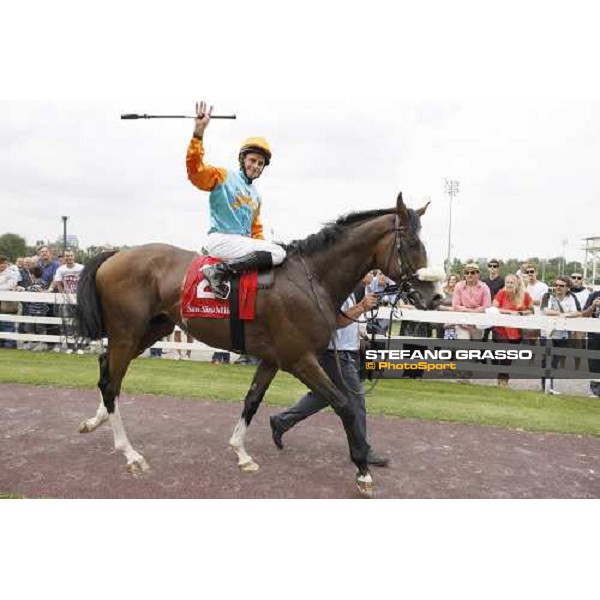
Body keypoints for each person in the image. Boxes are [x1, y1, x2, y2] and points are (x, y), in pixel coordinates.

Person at [269, 289, 389, 467]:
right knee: (356, 402)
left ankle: (282, 421)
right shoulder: (336, 291)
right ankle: (361, 450)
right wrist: (362, 306)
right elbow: (336, 322)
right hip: (336, 355)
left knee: (323, 396)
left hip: (346, 353)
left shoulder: (348, 290)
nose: (370, 273)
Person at [186, 100, 286, 299]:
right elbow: (195, 172)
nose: (256, 166)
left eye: (260, 163)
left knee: (273, 250)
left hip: (241, 245)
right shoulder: (222, 176)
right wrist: (198, 134)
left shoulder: (256, 196)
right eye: (252, 160)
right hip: (221, 240)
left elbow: (255, 231)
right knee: (279, 252)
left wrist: (262, 251)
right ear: (243, 160)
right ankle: (218, 271)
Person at [539, 276, 581, 394]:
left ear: (568, 288)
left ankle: (549, 385)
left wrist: (564, 315)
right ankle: (546, 387)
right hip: (546, 333)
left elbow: (578, 312)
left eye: (562, 286)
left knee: (555, 362)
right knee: (546, 360)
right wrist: (564, 314)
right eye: (556, 285)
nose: (558, 287)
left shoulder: (572, 297)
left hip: (562, 335)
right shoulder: (548, 295)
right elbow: (545, 310)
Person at [491, 274, 533, 386]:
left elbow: (531, 310)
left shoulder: (525, 295)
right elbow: (494, 307)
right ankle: (503, 379)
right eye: (507, 282)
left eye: (512, 282)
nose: (509, 285)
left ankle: (503, 377)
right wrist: (509, 312)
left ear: (517, 284)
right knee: (505, 351)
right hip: (501, 329)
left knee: (509, 356)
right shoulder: (501, 293)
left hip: (516, 331)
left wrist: (520, 313)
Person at [54, 249, 85, 354]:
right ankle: (70, 346)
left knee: (80, 324)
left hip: (80, 299)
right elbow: (58, 284)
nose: (69, 258)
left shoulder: (81, 268)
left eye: (71, 256)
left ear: (74, 256)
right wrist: (65, 296)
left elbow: (86, 282)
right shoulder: (60, 269)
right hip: (67, 300)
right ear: (64, 257)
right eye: (67, 256)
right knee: (68, 324)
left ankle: (80, 346)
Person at [452, 263, 492, 340]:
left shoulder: (484, 287)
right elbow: (455, 305)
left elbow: (487, 305)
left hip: (477, 323)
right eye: (467, 273)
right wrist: (470, 310)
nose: (469, 275)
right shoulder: (458, 286)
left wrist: (472, 311)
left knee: (475, 348)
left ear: (478, 274)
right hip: (462, 323)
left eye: (473, 273)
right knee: (463, 346)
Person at [569, 272, 590, 371]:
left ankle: (577, 367)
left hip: (580, 321)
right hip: (567, 320)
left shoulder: (586, 292)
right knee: (565, 343)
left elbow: (587, 308)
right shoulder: (567, 290)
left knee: (578, 345)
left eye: (579, 278)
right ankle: (562, 366)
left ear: (582, 280)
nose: (576, 279)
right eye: (574, 277)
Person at [581, 291, 600, 397]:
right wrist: (592, 306)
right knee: (594, 364)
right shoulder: (593, 295)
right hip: (594, 336)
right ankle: (596, 392)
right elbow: (584, 315)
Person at [0, 256, 19, 349]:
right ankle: (1, 344)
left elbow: (11, 285)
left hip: (8, 304)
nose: (2, 265)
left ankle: (10, 344)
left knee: (8, 323)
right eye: (0, 263)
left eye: (3, 263)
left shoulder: (12, 273)